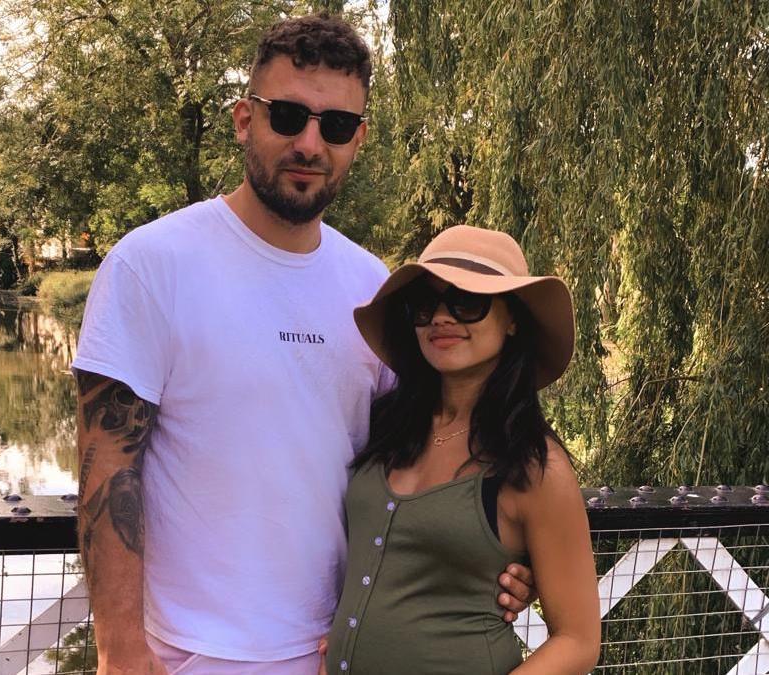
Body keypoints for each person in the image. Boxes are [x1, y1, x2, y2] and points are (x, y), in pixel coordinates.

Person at [72, 14, 536, 675]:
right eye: (287, 115)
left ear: (359, 139)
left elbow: (421, 461)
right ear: (244, 119)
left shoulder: (373, 291)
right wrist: (120, 648)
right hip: (191, 652)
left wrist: (502, 558)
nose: (310, 142)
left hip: (342, 650)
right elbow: (107, 468)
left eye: (337, 126)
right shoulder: (151, 264)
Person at [321, 225, 601, 673]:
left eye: (467, 301)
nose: (441, 318)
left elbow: (579, 640)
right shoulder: (386, 426)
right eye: (424, 304)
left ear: (512, 320)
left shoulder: (533, 466)